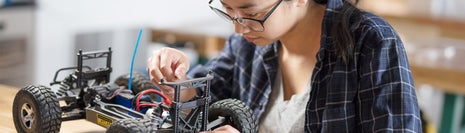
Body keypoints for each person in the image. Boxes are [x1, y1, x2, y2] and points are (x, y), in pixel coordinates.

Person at [147, 0, 422, 132]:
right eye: (228, 10)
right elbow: (203, 100)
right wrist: (179, 83)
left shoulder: (371, 41)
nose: (238, 27)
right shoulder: (247, 44)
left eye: (251, 13)